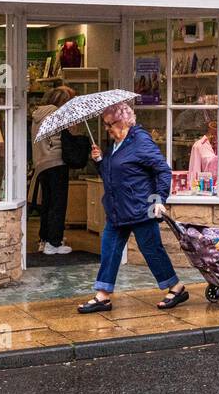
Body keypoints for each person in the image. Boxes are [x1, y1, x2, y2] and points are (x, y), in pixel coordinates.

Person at [78, 102, 188, 313]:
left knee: (151, 250)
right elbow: (112, 175)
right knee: (109, 250)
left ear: (122, 121)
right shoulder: (117, 144)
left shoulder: (140, 141)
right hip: (117, 209)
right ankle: (103, 296)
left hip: (140, 207)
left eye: (109, 125)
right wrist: (100, 161)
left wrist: (159, 200)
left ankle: (176, 287)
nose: (107, 129)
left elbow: (163, 171)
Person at [30, 85, 79, 256]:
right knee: (58, 204)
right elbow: (70, 136)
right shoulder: (58, 114)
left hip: (41, 163)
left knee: (47, 203)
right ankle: (54, 242)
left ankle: (44, 239)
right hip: (56, 162)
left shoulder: (38, 114)